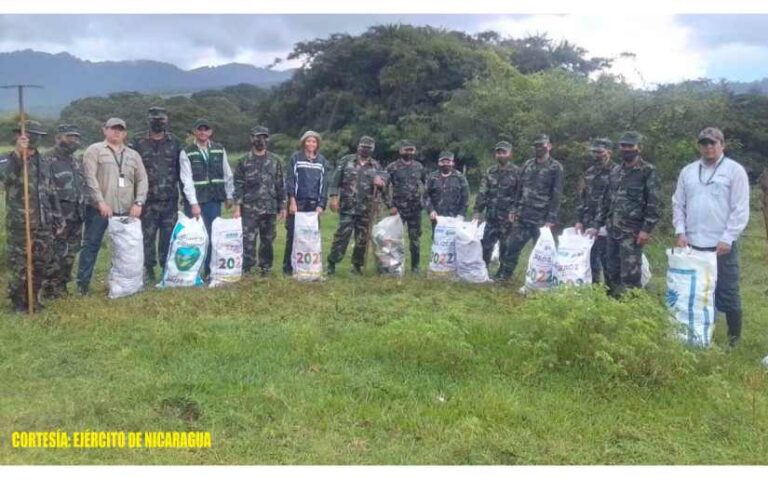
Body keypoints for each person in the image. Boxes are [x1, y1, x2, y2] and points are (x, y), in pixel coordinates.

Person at [672, 127, 750, 346]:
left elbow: (740, 208)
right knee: (700, 291)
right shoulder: (688, 171)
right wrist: (680, 231)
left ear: (722, 145)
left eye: (713, 143)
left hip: (721, 245)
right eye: (704, 143)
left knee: (728, 291)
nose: (708, 147)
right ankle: (701, 333)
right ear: (699, 146)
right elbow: (678, 203)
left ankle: (733, 339)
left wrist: (728, 237)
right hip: (693, 244)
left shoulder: (735, 171)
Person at [77, 118, 148, 295]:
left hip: (125, 210)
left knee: (126, 248)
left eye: (120, 129)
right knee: (91, 246)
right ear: (104, 130)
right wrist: (100, 201)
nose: (116, 132)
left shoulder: (133, 154)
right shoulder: (94, 150)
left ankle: (125, 285)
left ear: (125, 133)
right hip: (99, 210)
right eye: (112, 129)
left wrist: (139, 202)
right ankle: (82, 285)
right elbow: (89, 178)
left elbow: (142, 179)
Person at [597, 131, 660, 298]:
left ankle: (632, 313)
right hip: (612, 231)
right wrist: (597, 225)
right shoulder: (615, 171)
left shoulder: (647, 171)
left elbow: (653, 202)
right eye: (623, 146)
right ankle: (614, 309)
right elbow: (606, 200)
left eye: (630, 146)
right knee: (611, 271)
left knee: (630, 276)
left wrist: (646, 229)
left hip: (632, 234)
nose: (626, 149)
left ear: (638, 148)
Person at [129, 107, 189, 282]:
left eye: (161, 120)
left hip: (169, 199)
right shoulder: (138, 141)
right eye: (155, 119)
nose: (158, 122)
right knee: (146, 237)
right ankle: (148, 270)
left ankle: (166, 268)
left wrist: (186, 199)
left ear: (167, 121)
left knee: (168, 237)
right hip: (146, 201)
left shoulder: (175, 142)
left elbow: (182, 171)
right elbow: (131, 170)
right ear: (148, 120)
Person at [497, 134, 564, 281]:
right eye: (536, 146)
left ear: (549, 146)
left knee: (540, 254)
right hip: (523, 216)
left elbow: (557, 194)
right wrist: (514, 209)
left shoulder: (556, 167)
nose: (539, 148)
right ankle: (504, 277)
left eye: (542, 145)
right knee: (511, 247)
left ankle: (537, 281)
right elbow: (518, 189)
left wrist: (551, 218)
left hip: (542, 219)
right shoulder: (527, 164)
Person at [4, 120, 54, 312]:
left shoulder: (43, 161)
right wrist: (18, 155)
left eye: (37, 135)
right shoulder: (8, 159)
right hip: (21, 223)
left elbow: (49, 191)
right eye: (29, 134)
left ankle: (33, 299)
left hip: (43, 222)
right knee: (19, 265)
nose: (34, 139)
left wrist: (55, 217)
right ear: (19, 136)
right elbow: (5, 179)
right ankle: (17, 302)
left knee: (41, 263)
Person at [179, 118, 235, 279]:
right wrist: (193, 203)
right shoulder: (187, 151)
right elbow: (186, 179)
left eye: (206, 129)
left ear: (211, 132)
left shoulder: (219, 149)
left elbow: (227, 173)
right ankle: (191, 271)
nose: (203, 132)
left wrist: (229, 195)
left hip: (214, 200)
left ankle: (209, 271)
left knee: (212, 236)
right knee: (194, 236)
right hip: (196, 202)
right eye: (200, 129)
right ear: (195, 132)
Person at [327, 136, 388, 275]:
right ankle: (332, 262)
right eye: (363, 146)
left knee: (362, 239)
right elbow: (335, 179)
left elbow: (384, 187)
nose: (365, 149)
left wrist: (381, 183)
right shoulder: (346, 160)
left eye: (368, 148)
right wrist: (333, 197)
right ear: (358, 146)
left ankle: (357, 266)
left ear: (372, 149)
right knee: (341, 237)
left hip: (366, 209)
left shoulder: (376, 166)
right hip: (348, 207)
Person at [233, 126, 286, 276]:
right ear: (251, 138)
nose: (261, 140)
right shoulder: (243, 161)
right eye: (257, 137)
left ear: (268, 139)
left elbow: (280, 184)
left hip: (269, 207)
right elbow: (238, 185)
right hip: (250, 208)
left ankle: (265, 268)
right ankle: (247, 269)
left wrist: (282, 206)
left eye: (264, 137)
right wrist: (237, 207)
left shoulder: (275, 160)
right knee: (248, 240)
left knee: (267, 240)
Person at [42, 124, 85, 298]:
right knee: (55, 252)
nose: (74, 140)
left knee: (71, 252)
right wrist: (54, 216)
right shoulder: (48, 160)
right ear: (58, 137)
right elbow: (45, 191)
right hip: (57, 216)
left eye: (76, 137)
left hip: (76, 215)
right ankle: (49, 288)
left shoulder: (75, 161)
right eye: (70, 136)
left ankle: (62, 286)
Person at [282, 130, 330, 276]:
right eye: (308, 141)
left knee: (311, 236)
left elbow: (324, 184)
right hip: (298, 203)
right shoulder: (296, 158)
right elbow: (290, 180)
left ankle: (309, 267)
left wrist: (321, 204)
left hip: (313, 204)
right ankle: (288, 268)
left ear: (317, 144)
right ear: (303, 142)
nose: (311, 144)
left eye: (314, 141)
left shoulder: (322, 161)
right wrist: (292, 201)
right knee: (293, 235)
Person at [473, 141, 520, 275]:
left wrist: (515, 211)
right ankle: (482, 271)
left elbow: (520, 194)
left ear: (510, 154)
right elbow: (483, 192)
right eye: (498, 152)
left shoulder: (517, 172)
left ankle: (502, 275)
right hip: (492, 216)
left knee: (506, 247)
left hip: (508, 218)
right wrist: (477, 211)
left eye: (503, 152)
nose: (500, 155)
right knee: (486, 246)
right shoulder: (490, 171)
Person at [574, 138, 616, 284]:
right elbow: (582, 197)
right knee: (590, 260)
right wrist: (579, 220)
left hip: (607, 224)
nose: (596, 155)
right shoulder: (589, 173)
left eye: (600, 152)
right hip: (588, 222)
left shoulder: (616, 172)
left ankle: (611, 293)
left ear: (609, 152)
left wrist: (603, 224)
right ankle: (593, 290)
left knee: (608, 261)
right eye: (594, 152)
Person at [385, 140, 427, 273]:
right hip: (398, 209)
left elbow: (428, 186)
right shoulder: (392, 167)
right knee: (394, 238)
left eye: (411, 150)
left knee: (415, 239)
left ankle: (415, 266)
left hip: (415, 209)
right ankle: (395, 265)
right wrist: (390, 205)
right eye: (406, 150)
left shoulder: (419, 167)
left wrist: (424, 202)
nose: (409, 152)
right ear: (400, 151)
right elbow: (383, 187)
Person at [424, 151, 469, 234]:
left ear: (453, 163)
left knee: (455, 241)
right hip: (437, 217)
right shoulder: (432, 177)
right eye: (442, 162)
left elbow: (465, 197)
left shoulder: (460, 177)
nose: (445, 164)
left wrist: (461, 214)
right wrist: (431, 210)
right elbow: (426, 196)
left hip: (455, 217)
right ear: (438, 163)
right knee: (438, 241)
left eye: (448, 162)